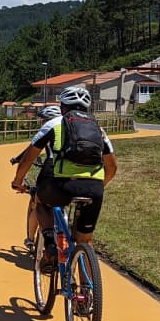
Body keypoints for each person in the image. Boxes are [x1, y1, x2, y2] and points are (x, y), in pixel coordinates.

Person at [10, 87, 118, 272]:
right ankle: (87, 294)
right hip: (94, 188)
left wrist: (18, 181)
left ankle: (50, 242)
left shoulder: (55, 124)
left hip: (62, 184)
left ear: (62, 107)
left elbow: (29, 157)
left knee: (41, 202)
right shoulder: (98, 129)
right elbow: (112, 166)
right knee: (85, 240)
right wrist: (100, 185)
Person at [15, 104, 63, 250]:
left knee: (38, 203)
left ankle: (30, 239)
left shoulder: (49, 128)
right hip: (76, 175)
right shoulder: (69, 129)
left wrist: (18, 179)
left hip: (51, 171)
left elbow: (31, 152)